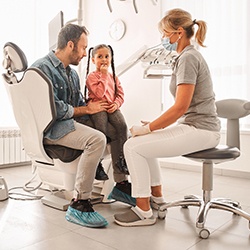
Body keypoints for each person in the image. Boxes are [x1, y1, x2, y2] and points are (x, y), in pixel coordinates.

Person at [114, 8, 221, 227]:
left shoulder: (188, 58)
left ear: (178, 32)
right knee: (142, 143)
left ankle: (143, 210)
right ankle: (157, 198)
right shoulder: (185, 56)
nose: (163, 39)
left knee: (132, 147)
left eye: (165, 33)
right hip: (197, 127)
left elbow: (180, 107)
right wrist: (152, 127)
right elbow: (182, 107)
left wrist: (150, 127)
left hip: (201, 130)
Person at [31, 24, 132, 228]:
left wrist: (100, 106)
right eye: (84, 48)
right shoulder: (41, 68)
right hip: (54, 129)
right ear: (71, 45)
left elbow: (79, 103)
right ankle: (80, 202)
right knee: (97, 139)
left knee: (120, 132)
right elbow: (53, 109)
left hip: (71, 122)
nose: (86, 54)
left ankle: (121, 184)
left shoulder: (72, 74)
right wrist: (87, 110)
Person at [85, 44, 129, 177]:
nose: (104, 60)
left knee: (122, 126)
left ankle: (122, 160)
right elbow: (98, 94)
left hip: (111, 107)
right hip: (98, 108)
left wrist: (116, 104)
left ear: (111, 58)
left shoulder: (114, 77)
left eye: (106, 56)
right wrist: (103, 76)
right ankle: (98, 163)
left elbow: (120, 95)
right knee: (101, 130)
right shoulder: (91, 77)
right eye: (100, 57)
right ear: (93, 60)